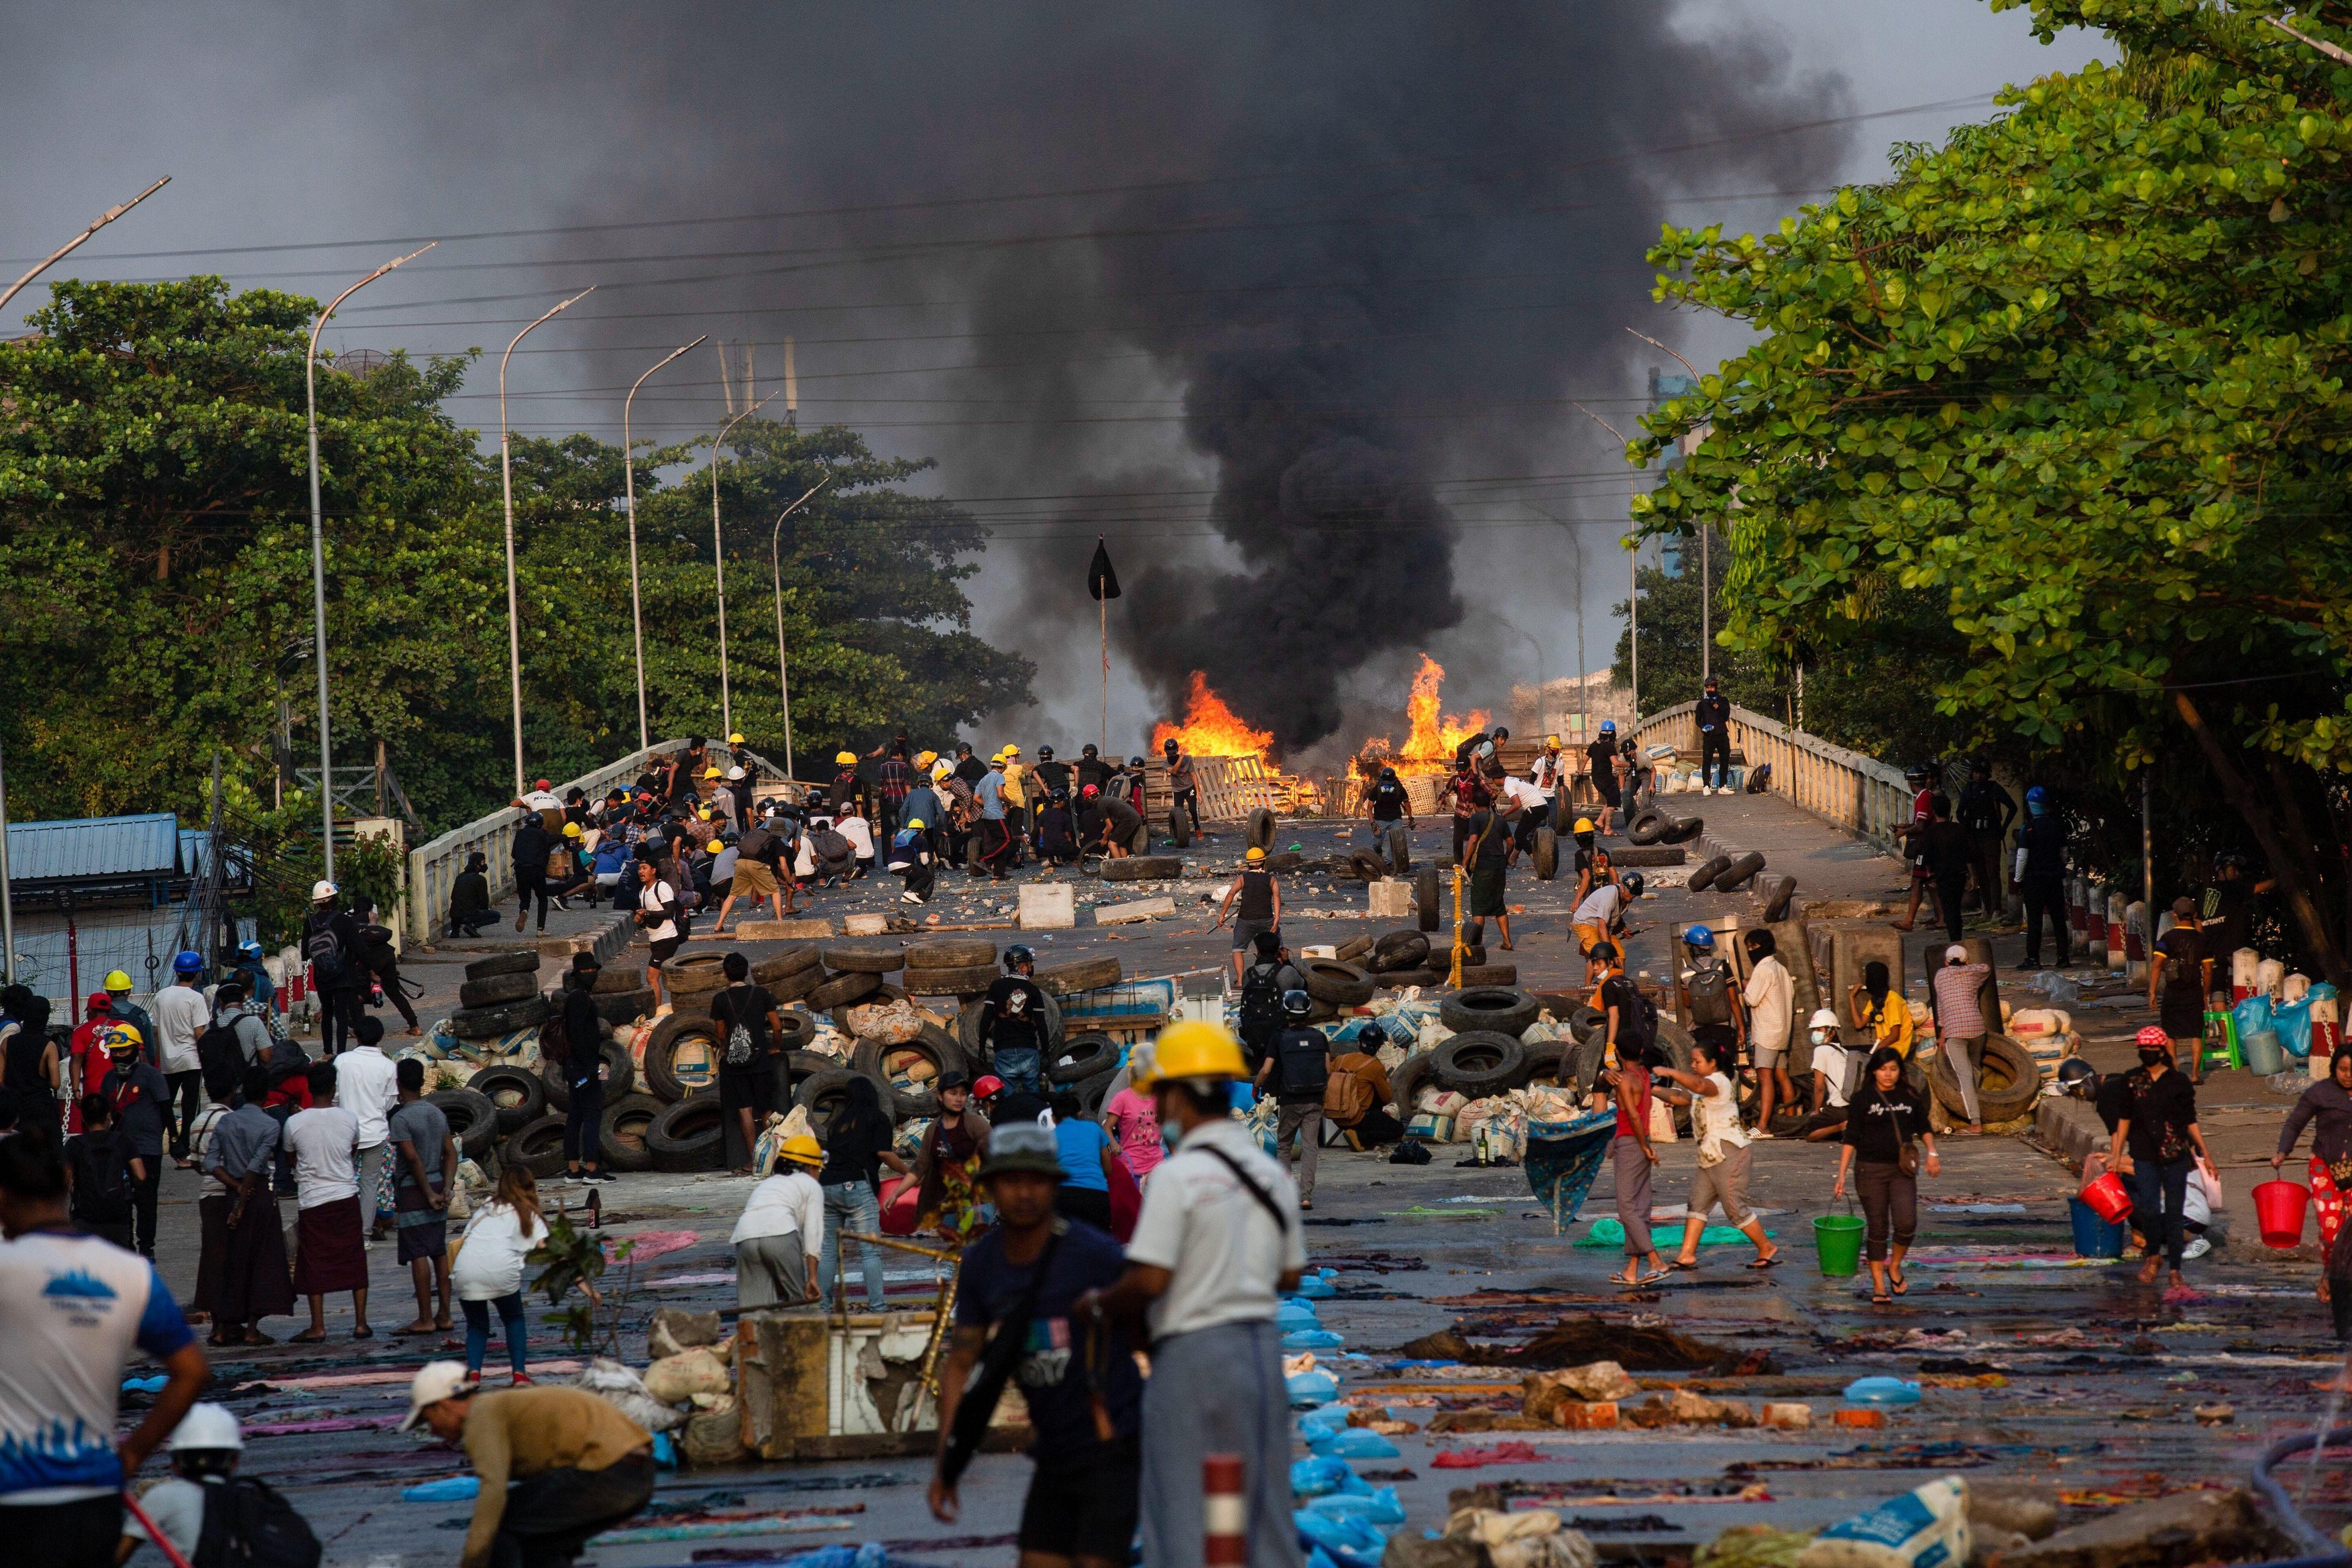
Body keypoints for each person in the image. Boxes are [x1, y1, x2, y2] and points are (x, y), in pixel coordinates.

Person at [1076, 1023, 1303, 1568]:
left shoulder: (1178, 1176)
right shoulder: (1268, 1173)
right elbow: (1288, 1277)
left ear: (1175, 1094)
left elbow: (1149, 1281)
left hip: (1194, 1354)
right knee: (1260, 1496)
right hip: (1260, 1350)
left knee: (1181, 1496)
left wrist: (1097, 1305)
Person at [928, 1122, 1142, 1568]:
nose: (1024, 1194)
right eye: (1011, 1181)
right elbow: (961, 1362)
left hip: (1110, 1447)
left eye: (1036, 1181)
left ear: (1053, 1186)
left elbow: (1149, 1334)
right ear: (989, 1187)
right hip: (1052, 1455)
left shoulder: (1096, 1255)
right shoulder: (980, 1265)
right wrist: (946, 1461)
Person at [0, 1133, 208, 1567]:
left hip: (13, 1496)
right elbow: (191, 1371)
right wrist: (133, 1452)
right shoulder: (128, 1272)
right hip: (95, 1495)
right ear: (68, 1183)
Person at [399, 1361, 655, 1568]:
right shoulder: (499, 1407)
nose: (433, 1431)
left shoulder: (481, 1415)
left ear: (442, 1405)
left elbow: (493, 1491)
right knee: (541, 1543)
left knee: (503, 1524)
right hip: (636, 1474)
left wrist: (472, 1561)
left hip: (609, 1472)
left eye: (427, 1419)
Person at [116, 1402, 317, 1568]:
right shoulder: (256, 1497)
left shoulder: (161, 1496)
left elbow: (113, 1558)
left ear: (175, 1463)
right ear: (234, 1462)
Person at [1656, 1036, 1778, 1269]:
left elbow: (1698, 1087)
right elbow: (1682, 1097)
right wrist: (1652, 1089)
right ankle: (1687, 1254)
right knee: (1697, 1204)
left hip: (1729, 1152)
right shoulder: (1703, 1086)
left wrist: (1671, 1072)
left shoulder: (1719, 1082)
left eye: (1697, 1062)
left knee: (1734, 1206)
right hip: (1710, 1155)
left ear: (1713, 1063)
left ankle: (1766, 1247)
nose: (1693, 1066)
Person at [193, 1064, 292, 1346]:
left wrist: (235, 1192)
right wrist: (243, 1196)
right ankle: (251, 1328)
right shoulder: (270, 1125)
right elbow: (256, 1164)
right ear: (266, 1095)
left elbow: (210, 1162)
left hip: (229, 1193)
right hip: (257, 1195)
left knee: (231, 1262)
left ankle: (224, 1327)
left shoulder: (226, 1122)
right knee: (261, 1262)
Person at [1834, 1046, 1940, 1305]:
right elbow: (1851, 1139)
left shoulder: (1910, 1096)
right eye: (1883, 1069)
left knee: (1906, 1223)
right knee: (1878, 1227)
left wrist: (1932, 1153)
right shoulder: (1862, 1099)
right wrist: (1841, 1175)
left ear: (1900, 1071)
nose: (1888, 1074)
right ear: (1874, 1071)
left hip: (1901, 1170)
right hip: (1869, 1171)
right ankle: (1879, 1285)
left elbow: (1923, 1126)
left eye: (1893, 1069)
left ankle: (1895, 1265)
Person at [2110, 1027, 2214, 1291]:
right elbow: (2124, 1120)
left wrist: (2206, 1154)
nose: (2147, 1054)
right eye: (2142, 1050)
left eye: (2151, 1050)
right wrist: (2116, 1154)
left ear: (2161, 1051)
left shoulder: (2178, 1082)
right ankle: (2154, 1258)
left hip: (2175, 1154)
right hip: (2144, 1153)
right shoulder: (2131, 1080)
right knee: (2150, 1210)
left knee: (2175, 1214)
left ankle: (2176, 1270)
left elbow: (2191, 1121)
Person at [285, 1060, 371, 1343]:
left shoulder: (294, 1123)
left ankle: (318, 1325)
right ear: (334, 1089)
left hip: (313, 1199)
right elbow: (352, 1150)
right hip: (345, 1195)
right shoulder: (349, 1119)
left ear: (308, 1088)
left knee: (313, 1262)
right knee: (355, 1258)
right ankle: (360, 1322)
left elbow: (290, 1159)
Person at [816, 1076, 911, 1312]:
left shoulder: (837, 1123)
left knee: (828, 1251)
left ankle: (823, 1307)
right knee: (870, 1250)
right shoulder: (877, 1119)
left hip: (826, 1186)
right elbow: (884, 1154)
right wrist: (911, 1173)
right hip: (857, 1185)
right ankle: (877, 1306)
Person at [2275, 1048, 2352, 1327]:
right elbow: (2296, 1121)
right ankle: (2329, 1273)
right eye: (2343, 1070)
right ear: (2334, 1069)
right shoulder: (2321, 1092)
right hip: (2325, 1168)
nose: (2348, 1076)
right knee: (2331, 1231)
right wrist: (2283, 1151)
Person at [452, 1166, 548, 1386]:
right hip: (502, 1271)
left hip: (466, 1270)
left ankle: (474, 1374)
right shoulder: (528, 1215)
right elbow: (549, 1249)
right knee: (514, 1318)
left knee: (476, 1325)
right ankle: (519, 1374)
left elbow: (467, 1238)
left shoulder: (485, 1209)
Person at [389, 1056, 457, 1336]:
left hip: (414, 1190)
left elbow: (413, 1159)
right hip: (439, 1182)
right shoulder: (436, 1114)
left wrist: (427, 1193)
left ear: (399, 1084)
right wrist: (447, 1187)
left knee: (418, 1252)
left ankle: (425, 1318)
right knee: (439, 1250)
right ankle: (445, 1315)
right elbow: (451, 1152)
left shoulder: (401, 1118)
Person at [1604, 1026, 1669, 1289]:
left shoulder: (1624, 1080)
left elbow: (1631, 1115)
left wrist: (1643, 1147)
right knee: (1640, 1207)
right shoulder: (1643, 1074)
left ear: (1618, 1053)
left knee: (1627, 1208)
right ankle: (1631, 1270)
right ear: (1641, 1052)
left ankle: (1656, 1262)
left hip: (1631, 1144)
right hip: (1641, 1143)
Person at [1255, 990, 1331, 1211]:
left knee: (1285, 1146)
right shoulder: (1320, 1037)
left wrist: (1256, 1085)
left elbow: (1267, 1069)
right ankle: (1306, 1196)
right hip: (1315, 1100)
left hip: (1289, 1099)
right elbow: (1327, 1070)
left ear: (1286, 1013)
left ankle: (1285, 1194)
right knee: (1310, 1148)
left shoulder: (1279, 1038)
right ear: (1308, 1013)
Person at [732, 1133, 826, 1308]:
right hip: (780, 1234)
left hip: (744, 1236)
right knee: (797, 1303)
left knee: (754, 1309)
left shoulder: (769, 1183)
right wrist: (812, 1278)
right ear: (809, 1167)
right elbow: (813, 1235)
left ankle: (752, 1333)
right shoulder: (811, 1185)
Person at [710, 954, 782, 1174]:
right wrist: (776, 1047)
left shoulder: (720, 999)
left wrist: (727, 1048)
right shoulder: (761, 994)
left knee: (745, 1111)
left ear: (724, 974)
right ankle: (775, 1160)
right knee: (767, 1109)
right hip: (760, 1059)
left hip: (735, 1063)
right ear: (747, 972)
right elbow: (777, 1026)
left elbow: (721, 1033)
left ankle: (755, 1162)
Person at [100, 1028, 168, 1257]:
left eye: (124, 1050)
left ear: (136, 1050)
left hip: (148, 1149)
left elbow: (166, 1109)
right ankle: (127, 1246)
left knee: (147, 1201)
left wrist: (176, 1140)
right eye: (115, 1051)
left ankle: (147, 1247)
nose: (119, 1056)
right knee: (122, 1202)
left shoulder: (151, 1076)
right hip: (119, 1150)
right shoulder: (109, 1080)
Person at [333, 1013, 400, 1241]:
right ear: (380, 1038)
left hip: (344, 1132)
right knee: (370, 1184)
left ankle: (344, 1230)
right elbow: (390, 1102)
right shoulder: (388, 1066)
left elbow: (334, 1097)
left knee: (345, 1181)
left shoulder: (342, 1061)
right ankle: (363, 1233)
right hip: (375, 1132)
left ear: (356, 1036)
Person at [908, 1072, 992, 1242]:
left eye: (963, 1094)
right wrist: (896, 1194)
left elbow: (998, 1156)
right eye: (953, 1093)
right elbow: (920, 1166)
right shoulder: (933, 1129)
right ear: (939, 1096)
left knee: (972, 1252)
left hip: (978, 1204)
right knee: (952, 1257)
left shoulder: (975, 1124)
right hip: (948, 1206)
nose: (959, 1099)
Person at [1929, 944, 1995, 1134]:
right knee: (1974, 1069)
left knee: (1964, 1076)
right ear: (1967, 961)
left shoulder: (1940, 975)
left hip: (1955, 1032)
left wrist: (1942, 1034)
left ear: (1946, 962)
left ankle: (1975, 1123)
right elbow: (1986, 968)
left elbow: (1941, 1007)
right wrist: (1968, 966)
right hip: (1977, 1028)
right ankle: (1974, 1108)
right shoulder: (1973, 972)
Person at [2149, 897, 2215, 1086]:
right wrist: (2205, 993)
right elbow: (2208, 970)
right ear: (2194, 916)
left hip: (2173, 992)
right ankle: (2195, 1074)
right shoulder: (2202, 940)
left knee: (2170, 1033)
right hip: (2194, 991)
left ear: (2174, 916)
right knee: (2196, 1032)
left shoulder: (2167, 939)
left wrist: (2152, 991)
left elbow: (2157, 965)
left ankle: (2175, 1071)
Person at [150, 952, 209, 1163]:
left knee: (165, 1106)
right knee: (190, 1107)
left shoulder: (161, 996)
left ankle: (155, 1145)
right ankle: (184, 1149)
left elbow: (155, 1031)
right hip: (191, 1060)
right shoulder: (196, 998)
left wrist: (159, 1058)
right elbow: (200, 1033)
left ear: (176, 972)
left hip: (168, 1060)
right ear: (197, 974)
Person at [63, 1093, 140, 1251]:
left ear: (83, 1118)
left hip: (85, 1216)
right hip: (118, 1215)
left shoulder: (75, 1144)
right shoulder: (123, 1140)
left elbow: (65, 1181)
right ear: (108, 1117)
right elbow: (140, 1174)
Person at [1676, 926, 1744, 1103]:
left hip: (1701, 1031)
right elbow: (1734, 1001)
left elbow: (1688, 1003)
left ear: (1691, 948)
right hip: (1725, 1029)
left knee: (1706, 1075)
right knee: (1727, 1071)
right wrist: (1742, 1028)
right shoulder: (1723, 966)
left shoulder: (1686, 973)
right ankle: (1731, 1106)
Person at [1741, 928, 1795, 1137]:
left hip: (1767, 1032)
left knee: (1766, 1078)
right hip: (1783, 1031)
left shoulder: (1763, 970)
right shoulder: (1780, 968)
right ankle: (1791, 1121)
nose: (1751, 952)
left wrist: (1746, 985)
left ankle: (1763, 1125)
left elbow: (1751, 999)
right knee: (1783, 1076)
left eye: (1753, 947)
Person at [977, 947, 1053, 1095]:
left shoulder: (996, 986)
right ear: (1023, 966)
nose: (1031, 968)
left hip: (1003, 1050)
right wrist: (1045, 1054)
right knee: (1033, 1098)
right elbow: (1042, 1025)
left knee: (1008, 1099)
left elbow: (986, 1019)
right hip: (1028, 1050)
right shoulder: (1033, 990)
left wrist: (981, 1048)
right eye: (1030, 964)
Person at [304, 881, 367, 1056]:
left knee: (327, 1012)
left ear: (317, 902)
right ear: (334, 899)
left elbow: (304, 953)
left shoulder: (310, 922)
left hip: (322, 976)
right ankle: (340, 1053)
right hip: (343, 975)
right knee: (340, 1015)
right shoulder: (344, 920)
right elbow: (359, 948)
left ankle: (327, 1052)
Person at [2015, 785, 2071, 969]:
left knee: (2035, 920)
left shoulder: (2028, 829)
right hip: (2054, 878)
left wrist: (2018, 879)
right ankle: (2063, 958)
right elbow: (2064, 853)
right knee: (2058, 918)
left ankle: (2033, 959)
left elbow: (2022, 856)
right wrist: (2057, 866)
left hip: (2034, 879)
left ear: (2030, 806)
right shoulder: (2057, 826)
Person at [1234, 931, 1305, 1073]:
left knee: (1261, 1067)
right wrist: (1286, 961)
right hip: (1282, 1034)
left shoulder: (1249, 974)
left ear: (1258, 950)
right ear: (1278, 950)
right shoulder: (1287, 972)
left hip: (1255, 1035)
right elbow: (1303, 988)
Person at [351, 895, 423, 1036]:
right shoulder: (373, 919)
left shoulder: (351, 922)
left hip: (367, 961)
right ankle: (415, 1026)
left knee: (357, 994)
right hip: (387, 957)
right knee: (394, 992)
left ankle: (358, 1029)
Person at [1321, 1027, 1402, 1149]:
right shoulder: (1375, 1066)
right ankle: (1359, 1137)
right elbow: (1386, 1099)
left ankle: (1358, 1137)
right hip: (1357, 1119)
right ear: (1379, 1047)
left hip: (1336, 1115)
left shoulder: (1340, 1059)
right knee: (1398, 1130)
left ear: (1359, 1043)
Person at [1050, 1090, 1119, 1229]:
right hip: (1096, 1195)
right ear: (1080, 1114)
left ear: (1053, 1118)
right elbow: (1107, 1168)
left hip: (1063, 1197)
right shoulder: (1094, 1128)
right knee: (1099, 1244)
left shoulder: (1049, 1137)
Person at [1956, 760, 2016, 915]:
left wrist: (2003, 828)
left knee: (1992, 873)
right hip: (1974, 835)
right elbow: (1959, 813)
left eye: (1981, 773)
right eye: (1976, 772)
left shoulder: (1994, 788)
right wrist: (1967, 830)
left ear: (1987, 774)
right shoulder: (1968, 789)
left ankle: (1996, 908)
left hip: (1991, 835)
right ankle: (1987, 908)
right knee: (1980, 874)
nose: (1978, 776)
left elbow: (2012, 807)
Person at [1216, 846, 1284, 984]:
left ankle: (1241, 981)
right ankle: (1277, 978)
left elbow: (1231, 894)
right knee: (1277, 947)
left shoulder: (1242, 878)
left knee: (1237, 949)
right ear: (1264, 863)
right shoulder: (1271, 879)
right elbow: (1276, 896)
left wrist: (1222, 915)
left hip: (1245, 919)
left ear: (1248, 864)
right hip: (1266, 919)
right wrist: (1276, 918)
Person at [0, 985, 58, 1141]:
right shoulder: (48, 1045)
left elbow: (1, 1078)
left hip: (16, 1107)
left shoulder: (7, 1042)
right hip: (41, 1107)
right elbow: (56, 1083)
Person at [1102, 1049, 1164, 1185]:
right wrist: (1113, 1144)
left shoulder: (1160, 1098)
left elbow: (1168, 1130)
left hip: (1157, 1165)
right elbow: (1106, 1127)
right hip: (1132, 1166)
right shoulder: (1122, 1098)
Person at [1459, 801, 1514, 950]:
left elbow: (1473, 839)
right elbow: (1510, 842)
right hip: (1499, 867)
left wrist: (1465, 862)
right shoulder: (1500, 819)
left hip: (1483, 867)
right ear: (1489, 804)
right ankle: (1507, 941)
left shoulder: (1476, 819)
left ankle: (1478, 944)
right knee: (1499, 905)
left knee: (1478, 907)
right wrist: (1505, 858)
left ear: (1475, 805)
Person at [634, 859, 684, 1010]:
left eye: (645, 868)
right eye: (640, 869)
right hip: (655, 938)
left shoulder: (662, 887)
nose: (641, 872)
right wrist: (640, 918)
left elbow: (670, 912)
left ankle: (657, 1012)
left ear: (654, 870)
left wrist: (647, 913)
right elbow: (650, 918)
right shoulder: (643, 891)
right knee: (662, 975)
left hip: (667, 937)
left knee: (652, 977)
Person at [1799, 1007, 1855, 1139]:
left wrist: (1817, 1110)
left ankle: (1842, 1126)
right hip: (1853, 1106)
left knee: (1809, 1134)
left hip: (1839, 1109)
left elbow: (1819, 1086)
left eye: (1819, 1030)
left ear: (1831, 1032)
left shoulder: (1821, 1051)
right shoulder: (1845, 1052)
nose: (1815, 1033)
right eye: (1814, 1030)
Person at [64, 993, 115, 1132]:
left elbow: (76, 1061)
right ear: (110, 1011)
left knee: (92, 1133)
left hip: (93, 1093)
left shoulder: (81, 1031)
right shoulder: (125, 1027)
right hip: (120, 1090)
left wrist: (76, 1090)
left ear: (91, 1011)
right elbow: (141, 1056)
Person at [1847, 960, 1915, 1060]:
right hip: (1885, 1048)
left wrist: (1876, 1051)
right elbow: (1859, 1024)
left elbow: (1895, 1035)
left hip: (1896, 1051)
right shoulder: (1874, 1001)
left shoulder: (1893, 1000)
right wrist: (1852, 997)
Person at [1438, 754, 1492, 864]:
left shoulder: (1477, 779)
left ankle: (1475, 862)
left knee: (1476, 840)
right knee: (1457, 842)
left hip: (1475, 816)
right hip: (1460, 814)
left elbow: (1489, 790)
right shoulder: (1455, 780)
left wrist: (1492, 794)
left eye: (1463, 770)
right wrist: (1439, 802)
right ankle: (1459, 865)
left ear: (1469, 768)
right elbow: (1444, 792)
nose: (1461, 773)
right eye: (1459, 770)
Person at [1570, 873, 1635, 958]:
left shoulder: (1627, 898)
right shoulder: (1610, 896)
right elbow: (1602, 924)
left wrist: (1623, 928)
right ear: (1622, 887)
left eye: (1634, 894)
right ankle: (1592, 960)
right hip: (1586, 922)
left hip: (1604, 927)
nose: (1632, 896)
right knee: (1600, 955)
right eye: (1630, 892)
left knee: (1620, 957)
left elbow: (1614, 915)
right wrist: (1607, 950)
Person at [447, 850, 499, 938]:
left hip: (454, 916)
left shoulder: (460, 877)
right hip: (469, 915)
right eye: (483, 863)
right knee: (496, 916)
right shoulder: (480, 880)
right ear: (477, 864)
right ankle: (472, 925)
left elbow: (453, 896)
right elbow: (484, 901)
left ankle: (455, 930)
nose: (484, 865)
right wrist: (482, 911)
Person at [1361, 764, 1414, 845]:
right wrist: (1373, 823)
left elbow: (1407, 803)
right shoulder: (1376, 789)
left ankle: (1390, 858)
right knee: (1377, 844)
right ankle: (1378, 854)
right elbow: (1369, 808)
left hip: (1395, 819)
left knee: (1397, 842)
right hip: (1380, 819)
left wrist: (1411, 819)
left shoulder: (1400, 789)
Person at [889, 815, 938, 904]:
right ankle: (910, 892)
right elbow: (924, 861)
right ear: (922, 831)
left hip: (891, 865)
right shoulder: (921, 840)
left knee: (911, 873)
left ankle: (905, 895)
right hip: (903, 864)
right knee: (927, 876)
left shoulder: (901, 834)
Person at [1695, 675, 1732, 792]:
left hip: (1722, 733)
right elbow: (1698, 720)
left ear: (1716, 688)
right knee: (1707, 760)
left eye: (1712, 687)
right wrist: (1703, 727)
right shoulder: (1702, 704)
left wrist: (1716, 706)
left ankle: (1722, 785)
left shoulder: (1723, 701)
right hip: (1709, 736)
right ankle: (1706, 785)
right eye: (1708, 688)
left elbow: (1726, 716)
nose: (1710, 689)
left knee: (1725, 759)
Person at [1584, 723, 1622, 835]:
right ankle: (1608, 829)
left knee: (1610, 799)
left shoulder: (1594, 745)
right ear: (1612, 734)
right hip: (1606, 779)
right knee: (1613, 800)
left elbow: (1584, 760)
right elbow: (1616, 763)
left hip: (1596, 778)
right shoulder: (1609, 746)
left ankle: (1600, 821)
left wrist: (1580, 774)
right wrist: (1630, 764)